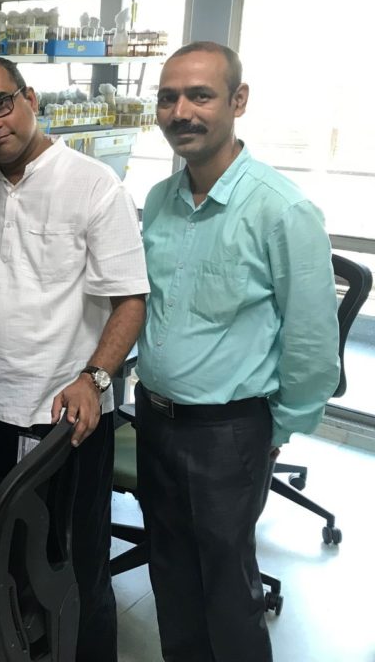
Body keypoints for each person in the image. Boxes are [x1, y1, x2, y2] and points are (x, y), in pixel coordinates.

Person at [0, 56, 148, 662]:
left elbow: (131, 300)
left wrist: (95, 379)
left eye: (1, 104)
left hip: (67, 418)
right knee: (2, 562)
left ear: (30, 98)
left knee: (77, 565)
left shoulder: (93, 184)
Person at [135, 41, 340, 662]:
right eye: (169, 97)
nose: (181, 112)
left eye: (200, 95)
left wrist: (277, 426)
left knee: (227, 589)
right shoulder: (159, 201)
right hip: (154, 416)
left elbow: (311, 340)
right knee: (170, 575)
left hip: (228, 429)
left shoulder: (281, 210)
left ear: (238, 101)